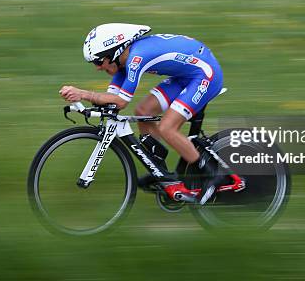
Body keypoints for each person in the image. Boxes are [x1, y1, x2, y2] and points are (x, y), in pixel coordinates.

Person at [59, 23, 226, 204]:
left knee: (167, 128)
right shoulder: (121, 63)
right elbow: (111, 98)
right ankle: (162, 174)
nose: (97, 67)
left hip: (205, 75)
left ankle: (212, 174)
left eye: (99, 61)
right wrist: (86, 104)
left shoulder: (136, 58)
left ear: (114, 53)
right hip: (185, 76)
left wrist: (83, 94)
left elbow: (121, 102)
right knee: (143, 111)